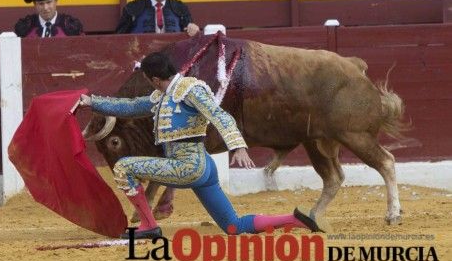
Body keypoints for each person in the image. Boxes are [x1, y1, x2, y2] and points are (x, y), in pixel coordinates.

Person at [79, 52, 330, 239]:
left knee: (123, 167)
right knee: (234, 226)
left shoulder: (190, 89)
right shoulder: (162, 95)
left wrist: (238, 146)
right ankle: (298, 221)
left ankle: (148, 226)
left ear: (154, 78)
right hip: (202, 168)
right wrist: (92, 102)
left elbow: (219, 115)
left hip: (189, 166)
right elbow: (131, 107)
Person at [14, 0, 84, 38]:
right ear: (35, 4)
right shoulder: (25, 27)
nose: (45, 8)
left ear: (56, 1)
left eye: (49, 2)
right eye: (41, 4)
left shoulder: (71, 26)